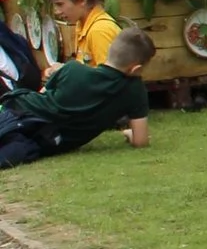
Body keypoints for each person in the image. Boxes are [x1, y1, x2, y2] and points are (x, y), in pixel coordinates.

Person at [0, 26, 152, 168]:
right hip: (47, 138)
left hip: (17, 109)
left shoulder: (72, 69)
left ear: (110, 50)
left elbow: (41, 94)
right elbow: (141, 141)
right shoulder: (134, 91)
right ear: (136, 68)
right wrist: (129, 133)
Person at [43, 0, 122, 67]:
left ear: (81, 0)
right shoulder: (82, 24)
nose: (56, 11)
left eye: (60, 4)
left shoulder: (99, 31)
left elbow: (109, 75)